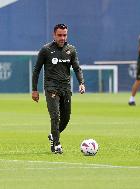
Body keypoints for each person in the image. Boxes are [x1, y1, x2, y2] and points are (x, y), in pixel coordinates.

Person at [32, 24, 85, 154]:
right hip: (51, 88)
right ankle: (56, 145)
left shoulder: (71, 50)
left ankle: (53, 135)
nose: (62, 38)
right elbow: (36, 70)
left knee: (66, 118)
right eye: (59, 35)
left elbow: (77, 68)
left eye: (64, 35)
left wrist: (81, 83)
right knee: (55, 116)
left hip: (66, 88)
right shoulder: (46, 50)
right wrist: (34, 89)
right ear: (54, 35)